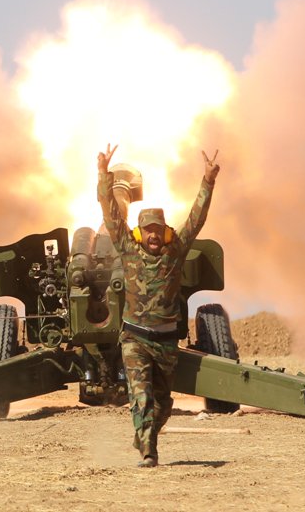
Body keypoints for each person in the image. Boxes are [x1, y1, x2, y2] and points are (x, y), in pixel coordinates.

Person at [97, 144, 219, 467]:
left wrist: (207, 181)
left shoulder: (174, 251)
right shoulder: (128, 248)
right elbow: (110, 215)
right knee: (142, 397)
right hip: (135, 339)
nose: (152, 236)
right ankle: (149, 452)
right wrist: (103, 176)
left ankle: (144, 434)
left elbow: (196, 219)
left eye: (157, 231)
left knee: (163, 405)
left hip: (166, 342)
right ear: (140, 232)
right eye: (147, 230)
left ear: (163, 233)